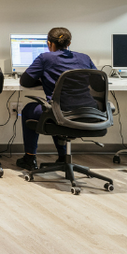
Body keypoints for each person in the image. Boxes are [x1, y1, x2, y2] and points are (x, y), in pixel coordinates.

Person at [16, 27, 96, 170]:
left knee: (32, 109)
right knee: (54, 109)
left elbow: (25, 82)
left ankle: (29, 157)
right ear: (69, 43)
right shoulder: (85, 58)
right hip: (88, 111)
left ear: (49, 43)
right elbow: (96, 82)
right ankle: (63, 156)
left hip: (60, 112)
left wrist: (44, 81)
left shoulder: (45, 58)